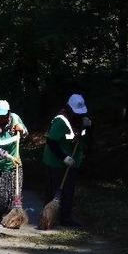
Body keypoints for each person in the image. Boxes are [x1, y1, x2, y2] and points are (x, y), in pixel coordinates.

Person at [42, 94, 92, 226]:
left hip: (73, 162)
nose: (79, 115)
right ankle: (48, 217)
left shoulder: (80, 119)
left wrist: (87, 127)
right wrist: (64, 158)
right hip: (55, 162)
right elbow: (51, 142)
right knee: (53, 190)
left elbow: (81, 138)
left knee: (68, 191)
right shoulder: (61, 121)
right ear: (69, 108)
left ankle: (65, 218)